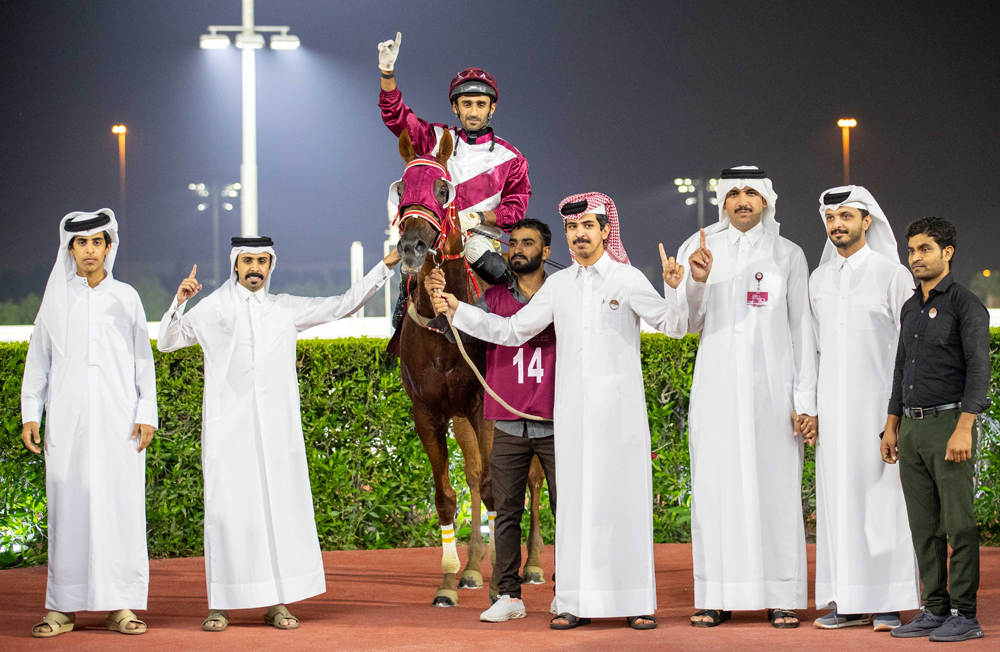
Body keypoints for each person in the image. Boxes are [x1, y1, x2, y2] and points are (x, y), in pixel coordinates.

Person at [429, 192, 687, 631]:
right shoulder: (560, 286)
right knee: (574, 512)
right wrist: (459, 310)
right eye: (572, 228)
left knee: (625, 507)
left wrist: (678, 288)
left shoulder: (627, 279)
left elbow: (675, 325)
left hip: (621, 420)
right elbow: (512, 331)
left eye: (587, 226)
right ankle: (573, 601)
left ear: (606, 231)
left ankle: (636, 601)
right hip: (571, 420)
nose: (579, 234)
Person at [157, 237, 400, 632]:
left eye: (261, 261)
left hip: (276, 435)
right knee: (228, 517)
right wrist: (179, 301)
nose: (254, 268)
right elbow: (168, 342)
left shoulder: (285, 308)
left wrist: (385, 266)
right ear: (236, 265)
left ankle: (277, 603)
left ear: (270, 266)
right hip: (228, 434)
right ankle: (221, 605)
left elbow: (343, 304)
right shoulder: (215, 307)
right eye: (247, 261)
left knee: (277, 516)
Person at [676, 166, 817, 629]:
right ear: (722, 201)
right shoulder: (699, 247)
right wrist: (696, 280)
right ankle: (716, 596)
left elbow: (802, 330)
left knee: (776, 490)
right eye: (733, 193)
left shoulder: (788, 254)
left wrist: (805, 400)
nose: (742, 200)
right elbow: (686, 323)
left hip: (773, 394)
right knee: (716, 492)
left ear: (766, 201)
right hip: (716, 391)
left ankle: (781, 596)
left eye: (751, 193)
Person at [21, 209, 158, 638]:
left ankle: (120, 605)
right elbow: (38, 362)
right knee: (69, 511)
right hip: (68, 425)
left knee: (119, 509)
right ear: (70, 249)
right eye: (81, 243)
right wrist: (31, 413)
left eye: (97, 242)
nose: (89, 250)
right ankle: (62, 608)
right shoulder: (56, 301)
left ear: (108, 246)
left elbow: (143, 360)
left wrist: (147, 413)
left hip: (120, 425)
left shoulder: (127, 297)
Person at [434, 218, 558, 623]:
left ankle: (569, 591)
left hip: (556, 422)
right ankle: (508, 595)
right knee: (505, 513)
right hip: (506, 422)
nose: (518, 248)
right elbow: (460, 333)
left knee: (567, 512)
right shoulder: (492, 299)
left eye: (528, 243)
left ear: (546, 251)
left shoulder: (564, 293)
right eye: (514, 243)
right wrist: (440, 304)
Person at [808, 186, 919, 631]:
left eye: (846, 216)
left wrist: (900, 414)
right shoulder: (819, 279)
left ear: (867, 221)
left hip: (881, 412)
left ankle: (888, 601)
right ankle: (849, 601)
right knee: (839, 505)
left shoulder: (893, 275)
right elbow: (812, 350)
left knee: (884, 503)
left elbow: (912, 348)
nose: (837, 225)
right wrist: (809, 407)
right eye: (831, 217)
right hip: (834, 416)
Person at [882, 216, 990, 643]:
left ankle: (965, 614)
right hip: (911, 428)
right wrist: (892, 425)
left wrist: (964, 427)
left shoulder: (966, 304)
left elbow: (979, 371)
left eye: (925, 249)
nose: (915, 257)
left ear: (947, 252)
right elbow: (900, 370)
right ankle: (935, 608)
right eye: (911, 250)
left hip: (950, 425)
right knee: (923, 526)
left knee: (958, 525)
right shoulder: (911, 307)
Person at [377, 31, 530, 327]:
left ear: (492, 108)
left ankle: (521, 310)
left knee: (479, 253)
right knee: (412, 255)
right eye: (466, 104)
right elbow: (395, 115)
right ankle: (403, 314)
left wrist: (477, 217)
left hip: (480, 240)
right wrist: (387, 72)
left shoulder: (512, 159)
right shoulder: (433, 138)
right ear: (455, 107)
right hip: (436, 235)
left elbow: (515, 212)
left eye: (481, 104)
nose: (473, 111)